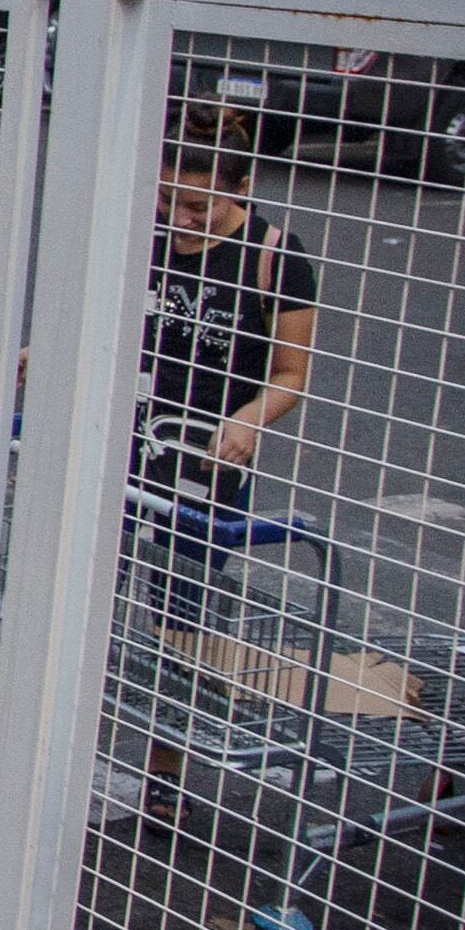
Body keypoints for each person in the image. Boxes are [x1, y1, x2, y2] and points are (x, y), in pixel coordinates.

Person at [130, 106, 319, 664]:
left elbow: (290, 374)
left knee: (184, 617)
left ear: (242, 188)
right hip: (121, 445)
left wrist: (250, 419)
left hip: (207, 464)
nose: (180, 221)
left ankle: (169, 750)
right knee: (82, 593)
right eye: (168, 201)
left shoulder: (274, 256)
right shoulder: (141, 234)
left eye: (198, 207)